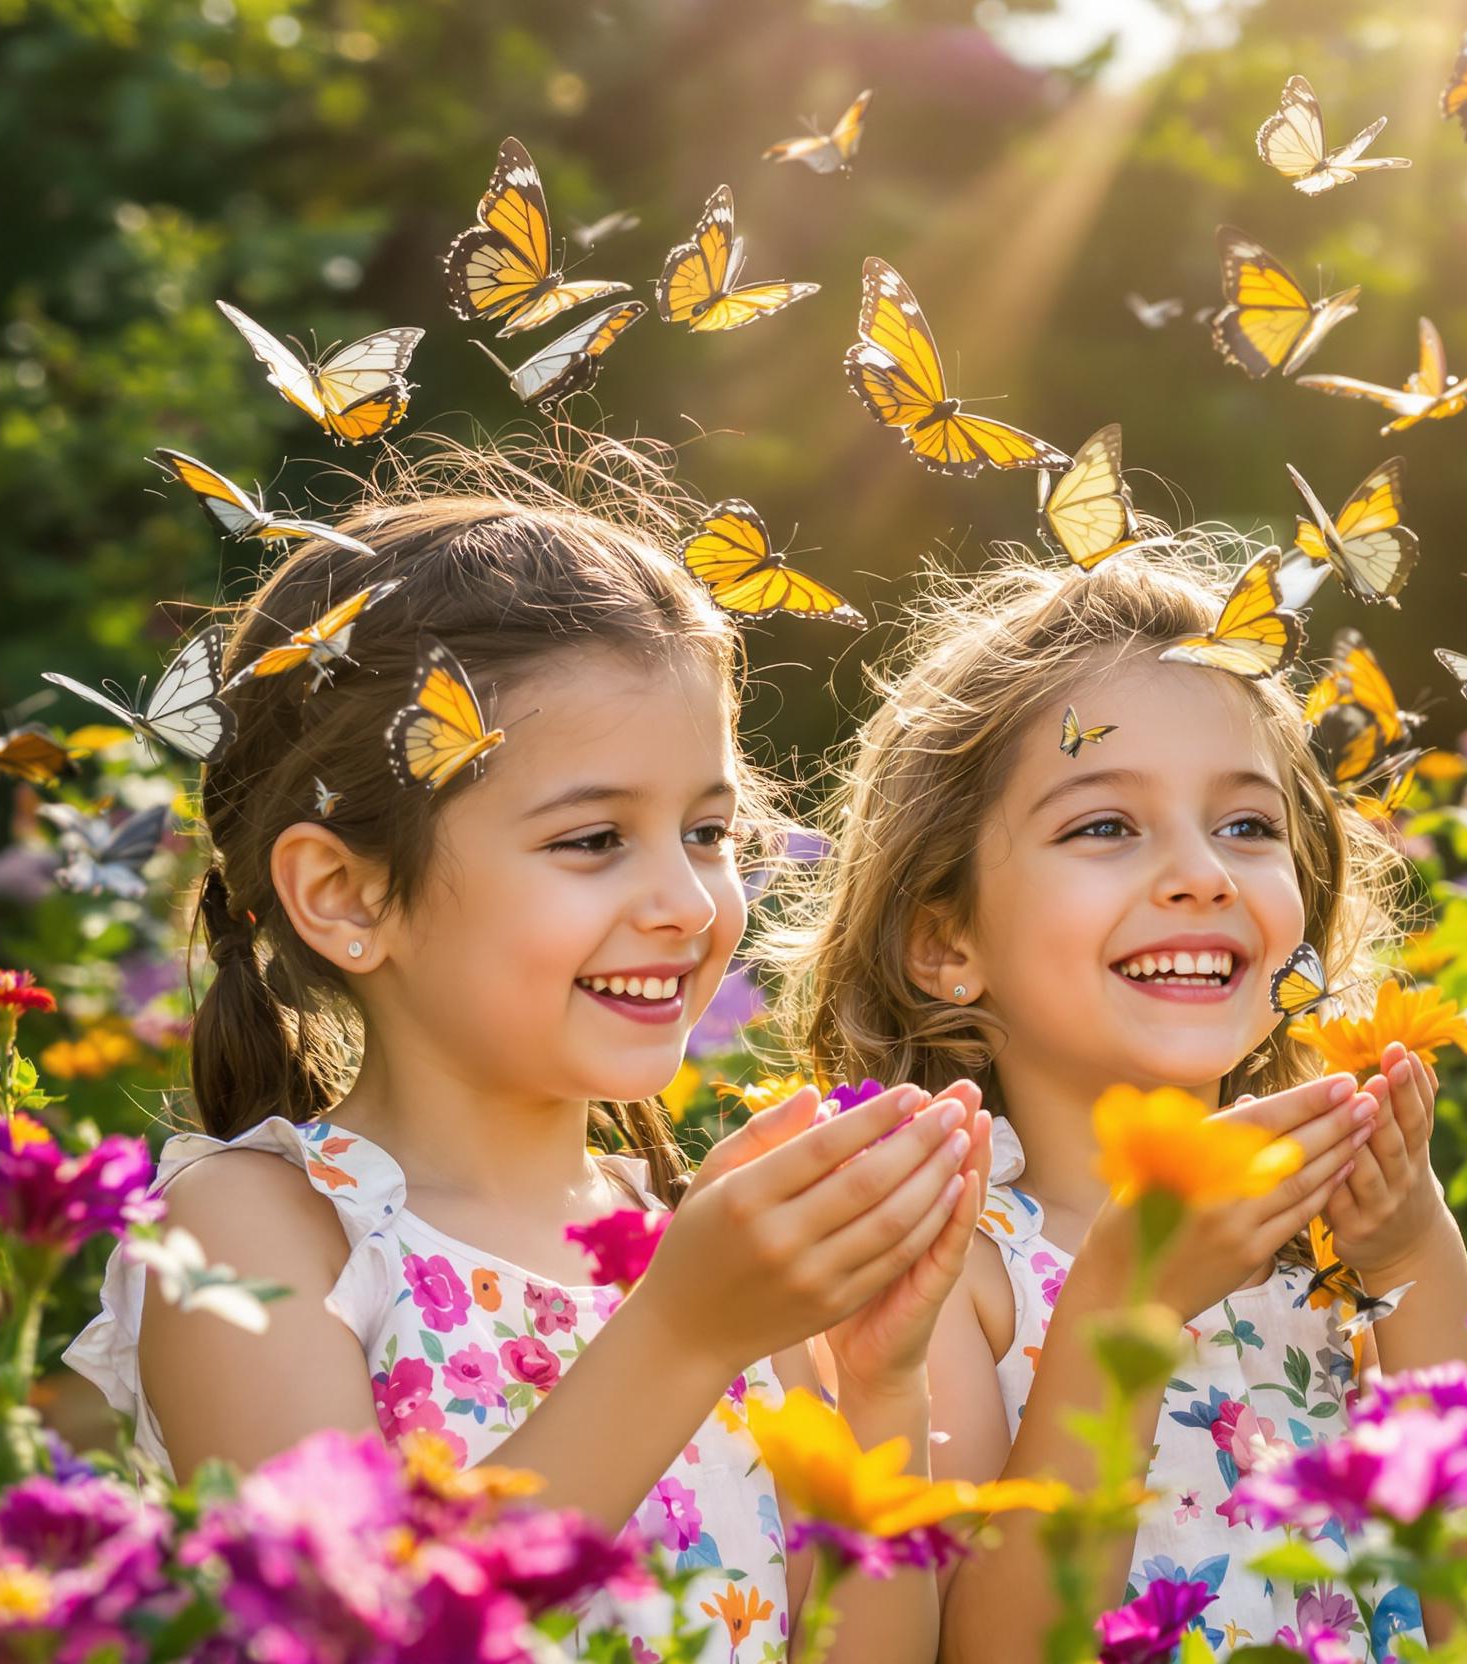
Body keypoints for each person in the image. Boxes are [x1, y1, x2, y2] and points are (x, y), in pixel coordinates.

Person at [65, 440, 990, 1660]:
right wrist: (682, 1331)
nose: (688, 901)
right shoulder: (255, 1236)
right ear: (344, 893)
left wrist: (874, 1387)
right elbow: (356, 1637)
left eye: (708, 829)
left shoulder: (690, 1247)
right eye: (594, 838)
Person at [772, 543, 1467, 1657]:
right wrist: (1121, 1309)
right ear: (946, 939)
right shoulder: (951, 1273)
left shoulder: (1324, 1250)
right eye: (1104, 825)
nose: (1206, 873)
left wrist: (1416, 1246)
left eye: (1248, 824)